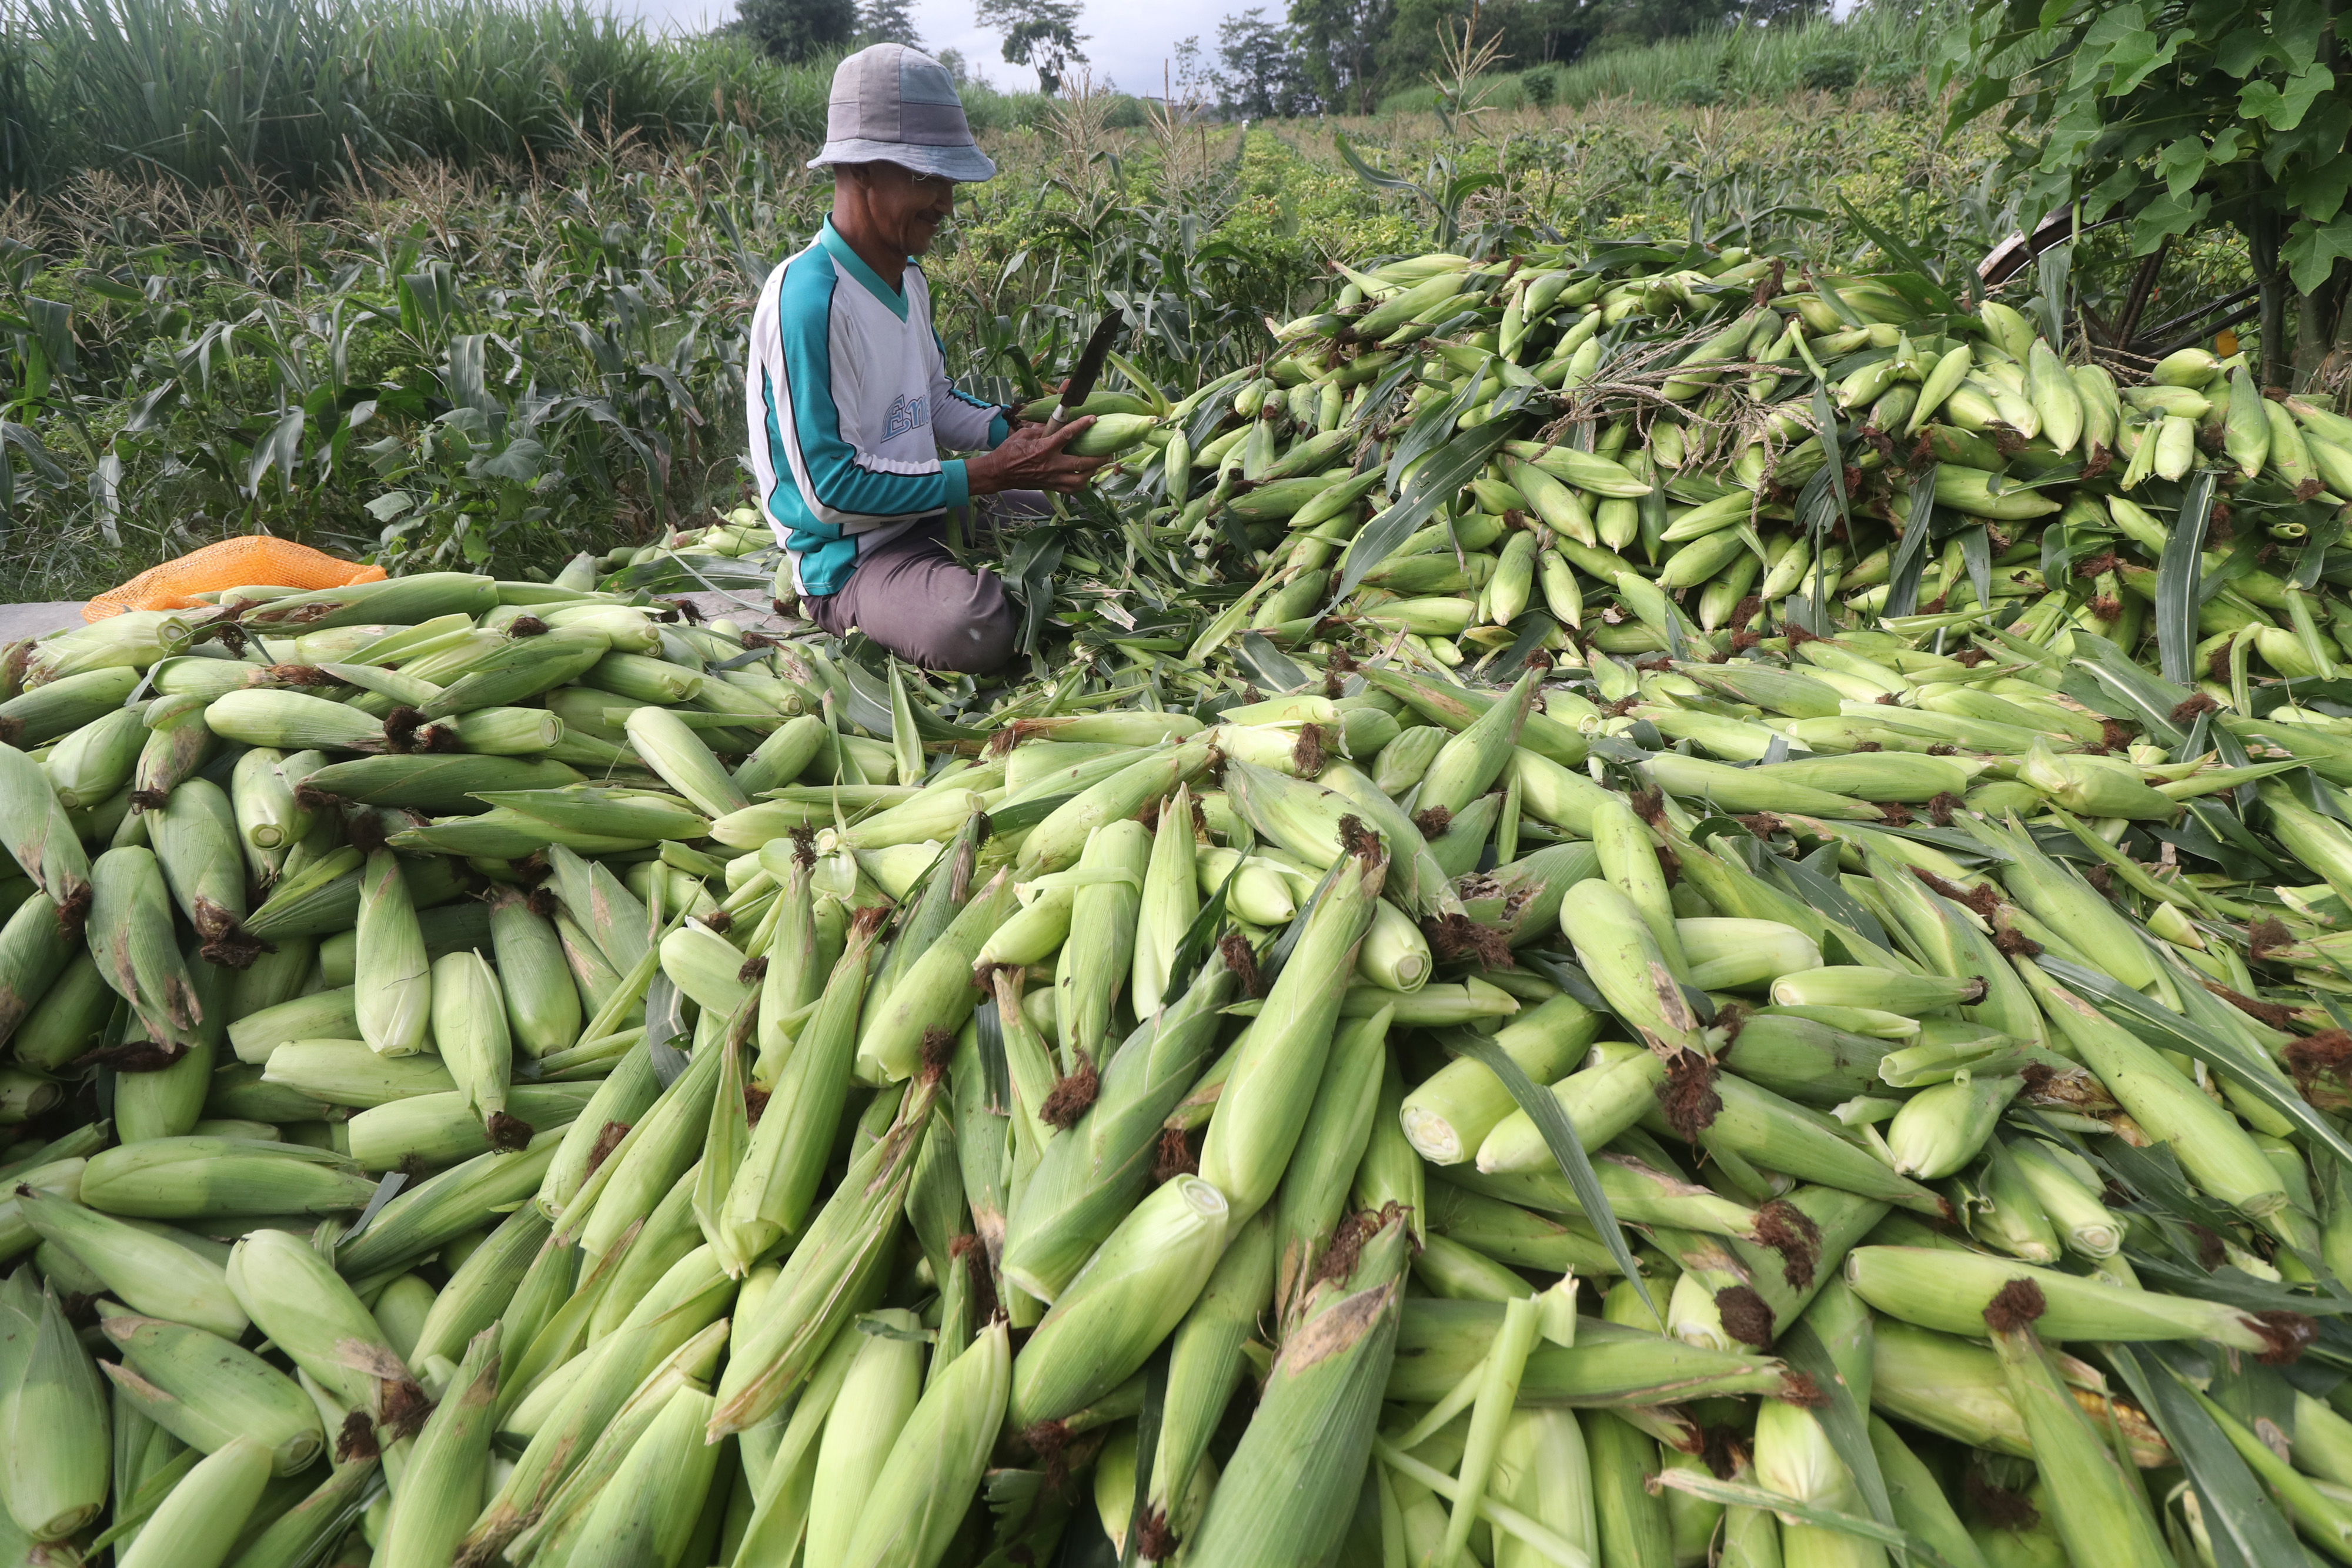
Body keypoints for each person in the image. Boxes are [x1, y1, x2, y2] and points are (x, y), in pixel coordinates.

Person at [745, 43, 1105, 673]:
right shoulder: (809, 301)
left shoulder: (906, 277)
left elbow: (932, 399)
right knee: (972, 627)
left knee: (1090, 502)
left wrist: (1020, 432)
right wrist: (988, 475)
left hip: (929, 509)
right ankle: (874, 604)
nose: (946, 203)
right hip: (856, 555)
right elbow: (831, 491)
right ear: (860, 170)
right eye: (925, 178)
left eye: (948, 180)